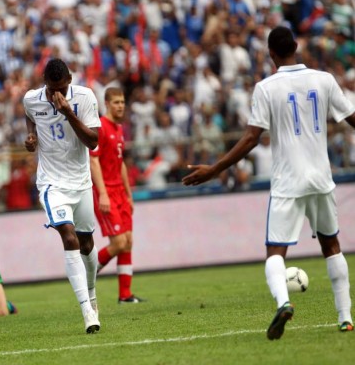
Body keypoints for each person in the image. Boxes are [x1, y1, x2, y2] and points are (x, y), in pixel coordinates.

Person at [182, 26, 354, 339]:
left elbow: (251, 138)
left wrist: (215, 169)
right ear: (297, 47)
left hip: (288, 182)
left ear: (270, 54)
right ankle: (345, 317)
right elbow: (352, 118)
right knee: (331, 246)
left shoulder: (266, 87)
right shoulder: (324, 79)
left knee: (275, 252)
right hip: (321, 178)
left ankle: (284, 303)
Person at [23, 58, 101, 333]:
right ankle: (87, 312)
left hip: (80, 183)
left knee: (87, 244)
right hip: (51, 184)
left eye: (62, 87)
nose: (57, 94)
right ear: (45, 82)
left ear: (70, 79)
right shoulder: (32, 99)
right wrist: (31, 136)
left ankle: (91, 293)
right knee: (68, 238)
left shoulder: (84, 97)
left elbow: (93, 141)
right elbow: (29, 115)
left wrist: (68, 112)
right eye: (52, 88)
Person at [89, 87, 144, 303]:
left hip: (120, 192)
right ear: (107, 104)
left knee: (128, 241)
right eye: (116, 102)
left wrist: (129, 194)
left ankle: (125, 295)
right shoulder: (100, 127)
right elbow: (93, 161)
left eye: (122, 102)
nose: (120, 105)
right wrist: (102, 194)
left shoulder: (119, 129)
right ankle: (88, 272)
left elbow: (120, 164)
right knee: (119, 242)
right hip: (106, 192)